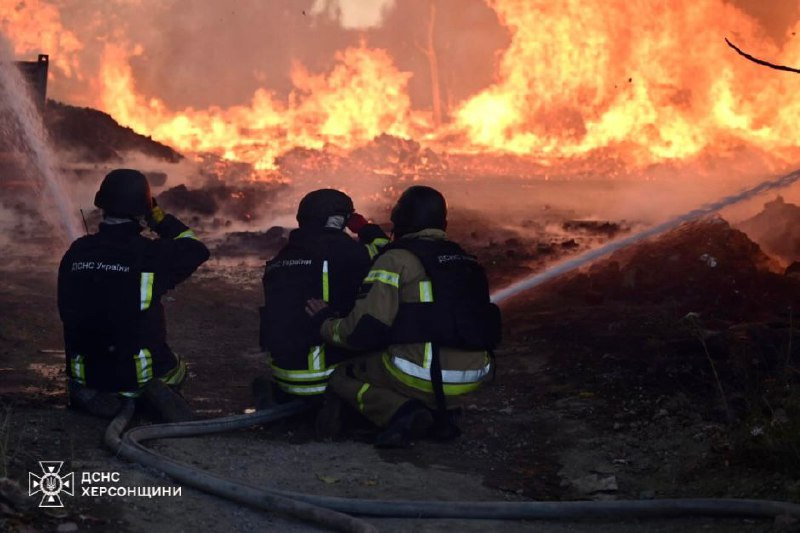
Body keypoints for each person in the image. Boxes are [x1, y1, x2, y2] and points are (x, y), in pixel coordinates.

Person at [306, 185, 501, 448]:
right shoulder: (462, 259)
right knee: (416, 354)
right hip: (475, 375)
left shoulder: (394, 261)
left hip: (421, 372)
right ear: (442, 223)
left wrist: (325, 322)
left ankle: (400, 412)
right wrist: (364, 228)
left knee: (343, 374)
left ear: (400, 219)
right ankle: (442, 412)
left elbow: (362, 332)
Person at [58, 168, 210, 421]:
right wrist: (158, 218)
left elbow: (66, 310)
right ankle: (148, 398)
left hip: (87, 377)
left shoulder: (76, 252)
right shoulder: (151, 255)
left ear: (101, 205)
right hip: (133, 377)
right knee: (178, 369)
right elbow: (196, 249)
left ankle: (95, 398)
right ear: (142, 209)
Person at [257, 189, 388, 406]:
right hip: (326, 378)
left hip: (285, 377)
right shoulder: (348, 252)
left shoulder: (281, 258)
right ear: (337, 220)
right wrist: (364, 227)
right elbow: (389, 253)